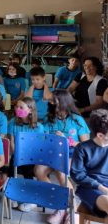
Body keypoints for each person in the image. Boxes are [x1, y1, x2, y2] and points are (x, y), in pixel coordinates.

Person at [35, 89, 90, 222]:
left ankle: (73, 210)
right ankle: (61, 206)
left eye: (54, 101)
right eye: (51, 101)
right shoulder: (50, 118)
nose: (51, 103)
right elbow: (43, 139)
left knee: (61, 172)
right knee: (39, 170)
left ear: (64, 102)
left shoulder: (77, 120)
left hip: (73, 153)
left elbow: (86, 146)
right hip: (53, 153)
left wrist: (67, 140)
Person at [7, 97, 43, 211]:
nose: (18, 109)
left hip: (32, 156)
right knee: (12, 167)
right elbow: (11, 141)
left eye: (21, 107)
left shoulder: (38, 127)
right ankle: (12, 195)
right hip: (18, 153)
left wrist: (26, 157)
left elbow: (38, 147)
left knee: (28, 170)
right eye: (16, 106)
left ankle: (31, 199)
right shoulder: (13, 122)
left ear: (31, 110)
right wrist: (17, 155)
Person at [71, 109, 108, 219]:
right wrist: (102, 188)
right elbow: (78, 175)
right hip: (89, 188)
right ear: (100, 135)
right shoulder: (82, 148)